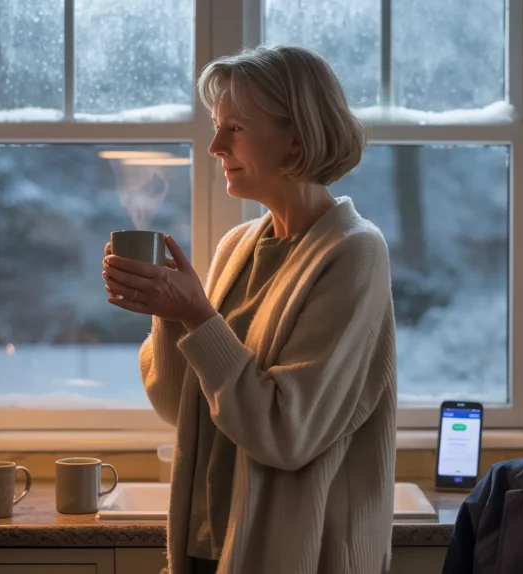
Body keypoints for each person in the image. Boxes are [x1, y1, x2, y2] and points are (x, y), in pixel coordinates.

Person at [101, 45, 398, 574]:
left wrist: (197, 316)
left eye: (234, 128)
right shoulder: (237, 247)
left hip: (298, 557)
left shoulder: (354, 251)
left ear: (298, 136)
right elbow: (182, 408)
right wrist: (170, 312)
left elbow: (287, 435)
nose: (215, 146)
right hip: (206, 550)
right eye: (217, 127)